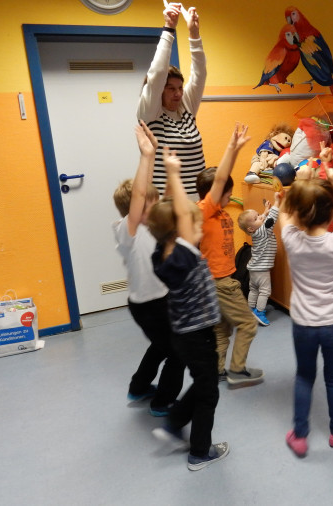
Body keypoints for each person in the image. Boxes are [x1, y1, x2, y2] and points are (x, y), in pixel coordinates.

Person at [148, 147, 228, 472]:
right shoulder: (184, 257)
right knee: (209, 392)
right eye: (193, 228)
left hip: (182, 333)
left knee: (203, 381)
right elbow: (181, 216)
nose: (198, 232)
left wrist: (170, 184)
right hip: (199, 336)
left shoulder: (161, 255)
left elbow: (168, 216)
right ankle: (200, 452)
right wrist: (173, 173)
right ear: (179, 233)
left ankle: (173, 423)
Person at [112, 121, 184, 417]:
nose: (155, 207)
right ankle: (163, 401)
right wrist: (145, 156)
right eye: (147, 203)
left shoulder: (154, 227)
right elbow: (141, 196)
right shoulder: (126, 232)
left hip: (161, 300)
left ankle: (139, 386)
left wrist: (157, 158)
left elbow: (164, 196)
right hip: (147, 306)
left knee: (160, 346)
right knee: (177, 353)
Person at [280, 172, 333, 457]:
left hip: (303, 324)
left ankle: (299, 434)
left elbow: (287, 213)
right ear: (332, 210)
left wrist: (300, 185)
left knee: (304, 377)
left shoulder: (290, 238)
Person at [196, 123, 264, 388]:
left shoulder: (221, 213)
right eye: (226, 190)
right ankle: (237, 369)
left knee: (222, 329)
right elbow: (220, 181)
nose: (229, 194)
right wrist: (232, 148)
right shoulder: (204, 211)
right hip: (220, 283)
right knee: (248, 324)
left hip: (224, 279)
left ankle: (218, 369)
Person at [137, 1, 206, 197]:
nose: (177, 94)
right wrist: (169, 29)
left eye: (179, 88)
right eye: (170, 89)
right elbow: (157, 74)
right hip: (166, 206)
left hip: (198, 201)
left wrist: (194, 34)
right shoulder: (150, 113)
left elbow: (200, 73)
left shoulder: (186, 108)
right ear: (159, 91)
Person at [236, 193, 281, 326]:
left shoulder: (256, 232)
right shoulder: (263, 230)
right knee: (265, 291)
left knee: (254, 290)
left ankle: (249, 309)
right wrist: (277, 202)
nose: (260, 217)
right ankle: (259, 312)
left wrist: (264, 211)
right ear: (250, 228)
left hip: (253, 269)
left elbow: (262, 219)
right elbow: (271, 219)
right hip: (262, 269)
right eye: (256, 217)